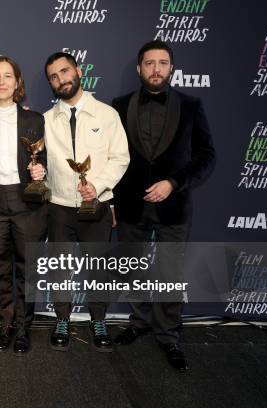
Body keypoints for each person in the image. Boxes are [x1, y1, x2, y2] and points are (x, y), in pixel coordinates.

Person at [111, 40, 215, 372]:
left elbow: (205, 156)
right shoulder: (119, 104)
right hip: (131, 205)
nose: (156, 69)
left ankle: (169, 336)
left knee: (169, 275)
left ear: (171, 68)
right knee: (135, 271)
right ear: (140, 68)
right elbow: (112, 157)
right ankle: (139, 323)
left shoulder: (191, 105)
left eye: (163, 63)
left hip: (174, 206)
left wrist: (173, 183)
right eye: (150, 63)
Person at [43, 52, 129, 352]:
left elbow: (120, 158)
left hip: (98, 207)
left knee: (98, 268)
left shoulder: (107, 114)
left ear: (77, 71)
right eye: (53, 76)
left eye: (64, 71)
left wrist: (99, 185)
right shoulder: (44, 121)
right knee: (59, 268)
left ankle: (98, 320)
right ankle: (62, 320)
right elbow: (40, 164)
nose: (61, 79)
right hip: (58, 208)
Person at [0, 56, 47, 354]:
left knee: (27, 266)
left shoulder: (34, 119)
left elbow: (42, 159)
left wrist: (40, 170)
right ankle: (6, 322)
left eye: (8, 76)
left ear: (17, 82)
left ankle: (24, 326)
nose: (2, 82)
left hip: (25, 200)